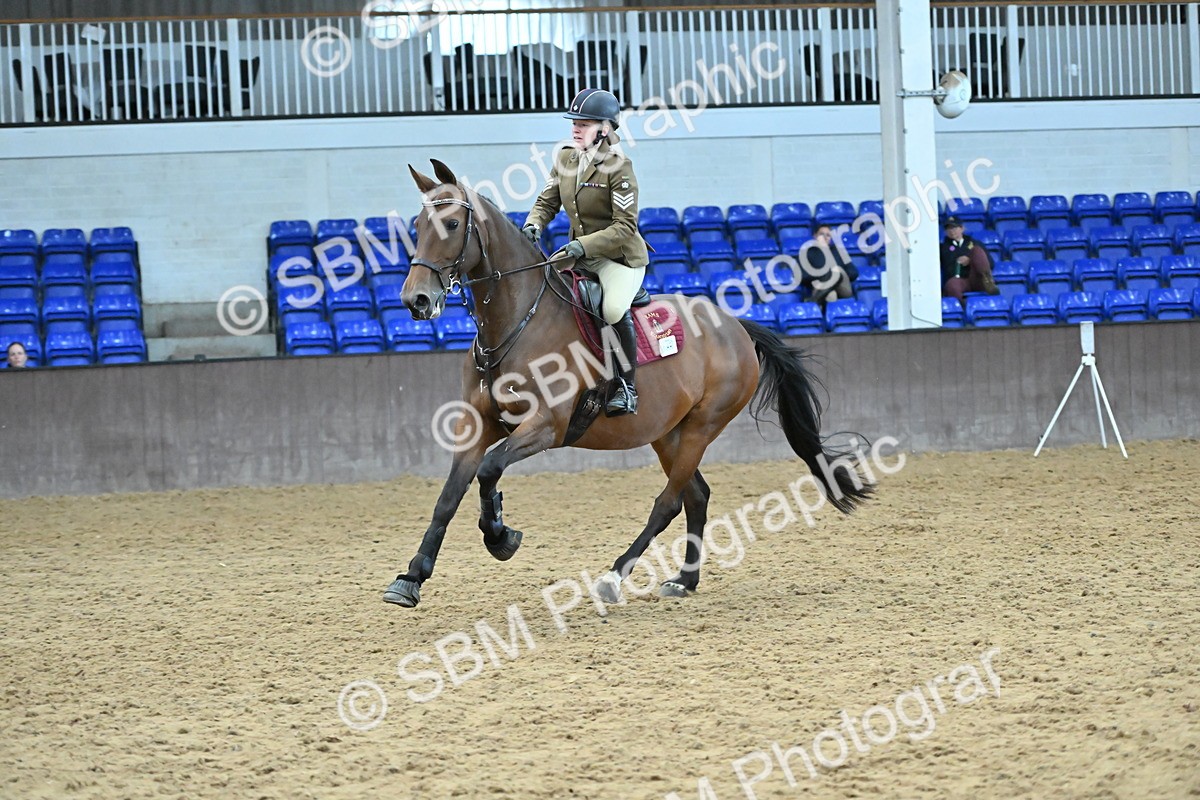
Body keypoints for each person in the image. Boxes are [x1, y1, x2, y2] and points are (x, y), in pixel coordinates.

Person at [523, 88, 649, 417]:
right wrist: (533, 224)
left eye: (585, 123)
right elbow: (547, 201)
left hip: (618, 258)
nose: (576, 128)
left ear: (605, 129)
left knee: (611, 308)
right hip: (577, 254)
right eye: (574, 122)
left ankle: (626, 386)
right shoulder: (566, 158)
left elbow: (625, 227)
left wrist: (582, 245)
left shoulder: (619, 167)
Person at [940, 217, 998, 302]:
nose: (951, 231)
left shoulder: (974, 242)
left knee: (977, 250)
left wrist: (970, 260)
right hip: (959, 279)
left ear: (962, 228)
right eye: (948, 228)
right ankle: (961, 308)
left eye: (954, 227)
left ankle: (988, 280)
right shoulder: (942, 247)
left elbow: (991, 263)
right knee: (952, 284)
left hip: (977, 278)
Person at [801, 224, 859, 309]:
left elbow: (854, 273)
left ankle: (813, 301)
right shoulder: (808, 253)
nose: (825, 237)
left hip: (843, 288)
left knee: (837, 270)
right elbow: (803, 276)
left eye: (828, 235)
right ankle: (827, 319)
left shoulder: (839, 251)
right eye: (822, 234)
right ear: (815, 236)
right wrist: (824, 275)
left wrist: (835, 276)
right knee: (831, 295)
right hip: (820, 287)